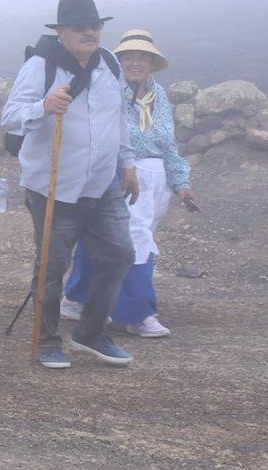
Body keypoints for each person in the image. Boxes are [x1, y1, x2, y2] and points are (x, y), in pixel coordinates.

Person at [0, 0, 140, 371]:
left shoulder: (109, 62)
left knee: (120, 254)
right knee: (51, 266)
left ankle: (90, 334)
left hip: (102, 183)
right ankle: (47, 340)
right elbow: (10, 118)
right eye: (80, 27)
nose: (90, 32)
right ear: (61, 33)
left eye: (95, 26)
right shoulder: (40, 66)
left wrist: (128, 164)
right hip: (53, 187)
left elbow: (119, 119)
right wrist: (43, 107)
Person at [61, 28, 198, 339]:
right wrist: (124, 168)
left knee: (110, 238)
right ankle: (138, 313)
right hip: (121, 175)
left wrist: (182, 184)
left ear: (151, 63)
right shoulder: (108, 89)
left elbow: (168, 145)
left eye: (142, 58)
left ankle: (77, 297)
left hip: (156, 179)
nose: (135, 63)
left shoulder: (157, 95)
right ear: (119, 61)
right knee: (133, 242)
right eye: (128, 58)